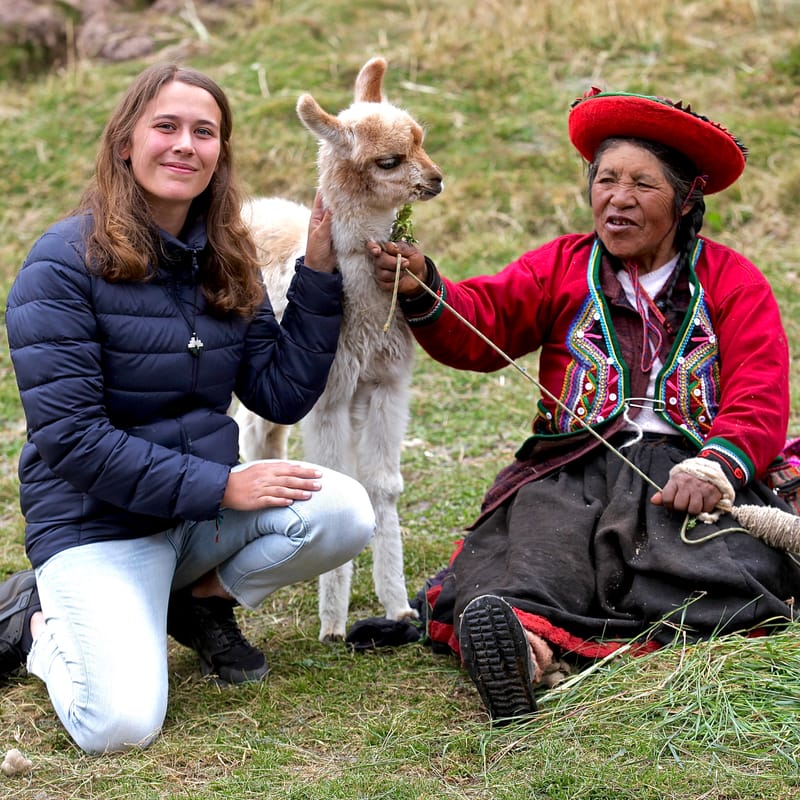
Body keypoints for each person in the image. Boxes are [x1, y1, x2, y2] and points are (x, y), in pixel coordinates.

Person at [368, 88, 800, 722]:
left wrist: (715, 466)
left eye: (642, 185)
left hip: (687, 476)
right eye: (606, 180)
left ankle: (558, 638)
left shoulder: (733, 280)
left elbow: (759, 391)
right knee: (532, 553)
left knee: (719, 564)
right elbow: (484, 323)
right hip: (571, 468)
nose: (618, 198)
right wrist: (424, 285)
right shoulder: (562, 265)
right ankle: (523, 649)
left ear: (685, 201)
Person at [0, 63, 375, 754]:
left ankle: (198, 600)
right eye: (166, 126)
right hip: (98, 528)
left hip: (197, 519)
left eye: (204, 132)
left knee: (345, 511)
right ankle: (35, 624)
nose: (185, 145)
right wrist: (223, 486)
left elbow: (280, 393)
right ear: (125, 143)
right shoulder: (58, 265)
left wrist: (319, 275)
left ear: (219, 153)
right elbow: (72, 439)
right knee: (118, 727)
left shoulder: (225, 257)